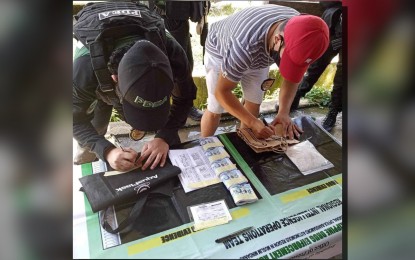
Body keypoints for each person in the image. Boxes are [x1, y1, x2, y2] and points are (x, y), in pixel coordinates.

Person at [73, 20, 196, 171]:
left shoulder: (175, 56)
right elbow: (74, 120)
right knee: (95, 128)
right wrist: (107, 151)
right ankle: (84, 167)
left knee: (170, 136)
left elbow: (185, 98)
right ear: (115, 79)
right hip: (98, 82)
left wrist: (165, 136)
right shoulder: (83, 72)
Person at [200, 4, 329, 140]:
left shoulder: (303, 29)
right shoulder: (243, 45)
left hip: (261, 50)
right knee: (215, 109)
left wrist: (284, 112)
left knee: (254, 105)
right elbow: (222, 92)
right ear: (278, 39)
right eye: (287, 59)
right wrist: (252, 122)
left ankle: (245, 145)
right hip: (220, 49)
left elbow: (292, 79)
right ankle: (205, 146)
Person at [276, 1, 342, 132]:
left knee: (343, 76)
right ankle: (296, 96)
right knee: (315, 65)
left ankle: (333, 111)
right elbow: (324, 2)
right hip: (331, 26)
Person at [152, 0, 211, 121]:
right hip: (168, 15)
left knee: (187, 63)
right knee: (175, 66)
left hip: (179, 15)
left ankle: (184, 106)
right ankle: (166, 111)